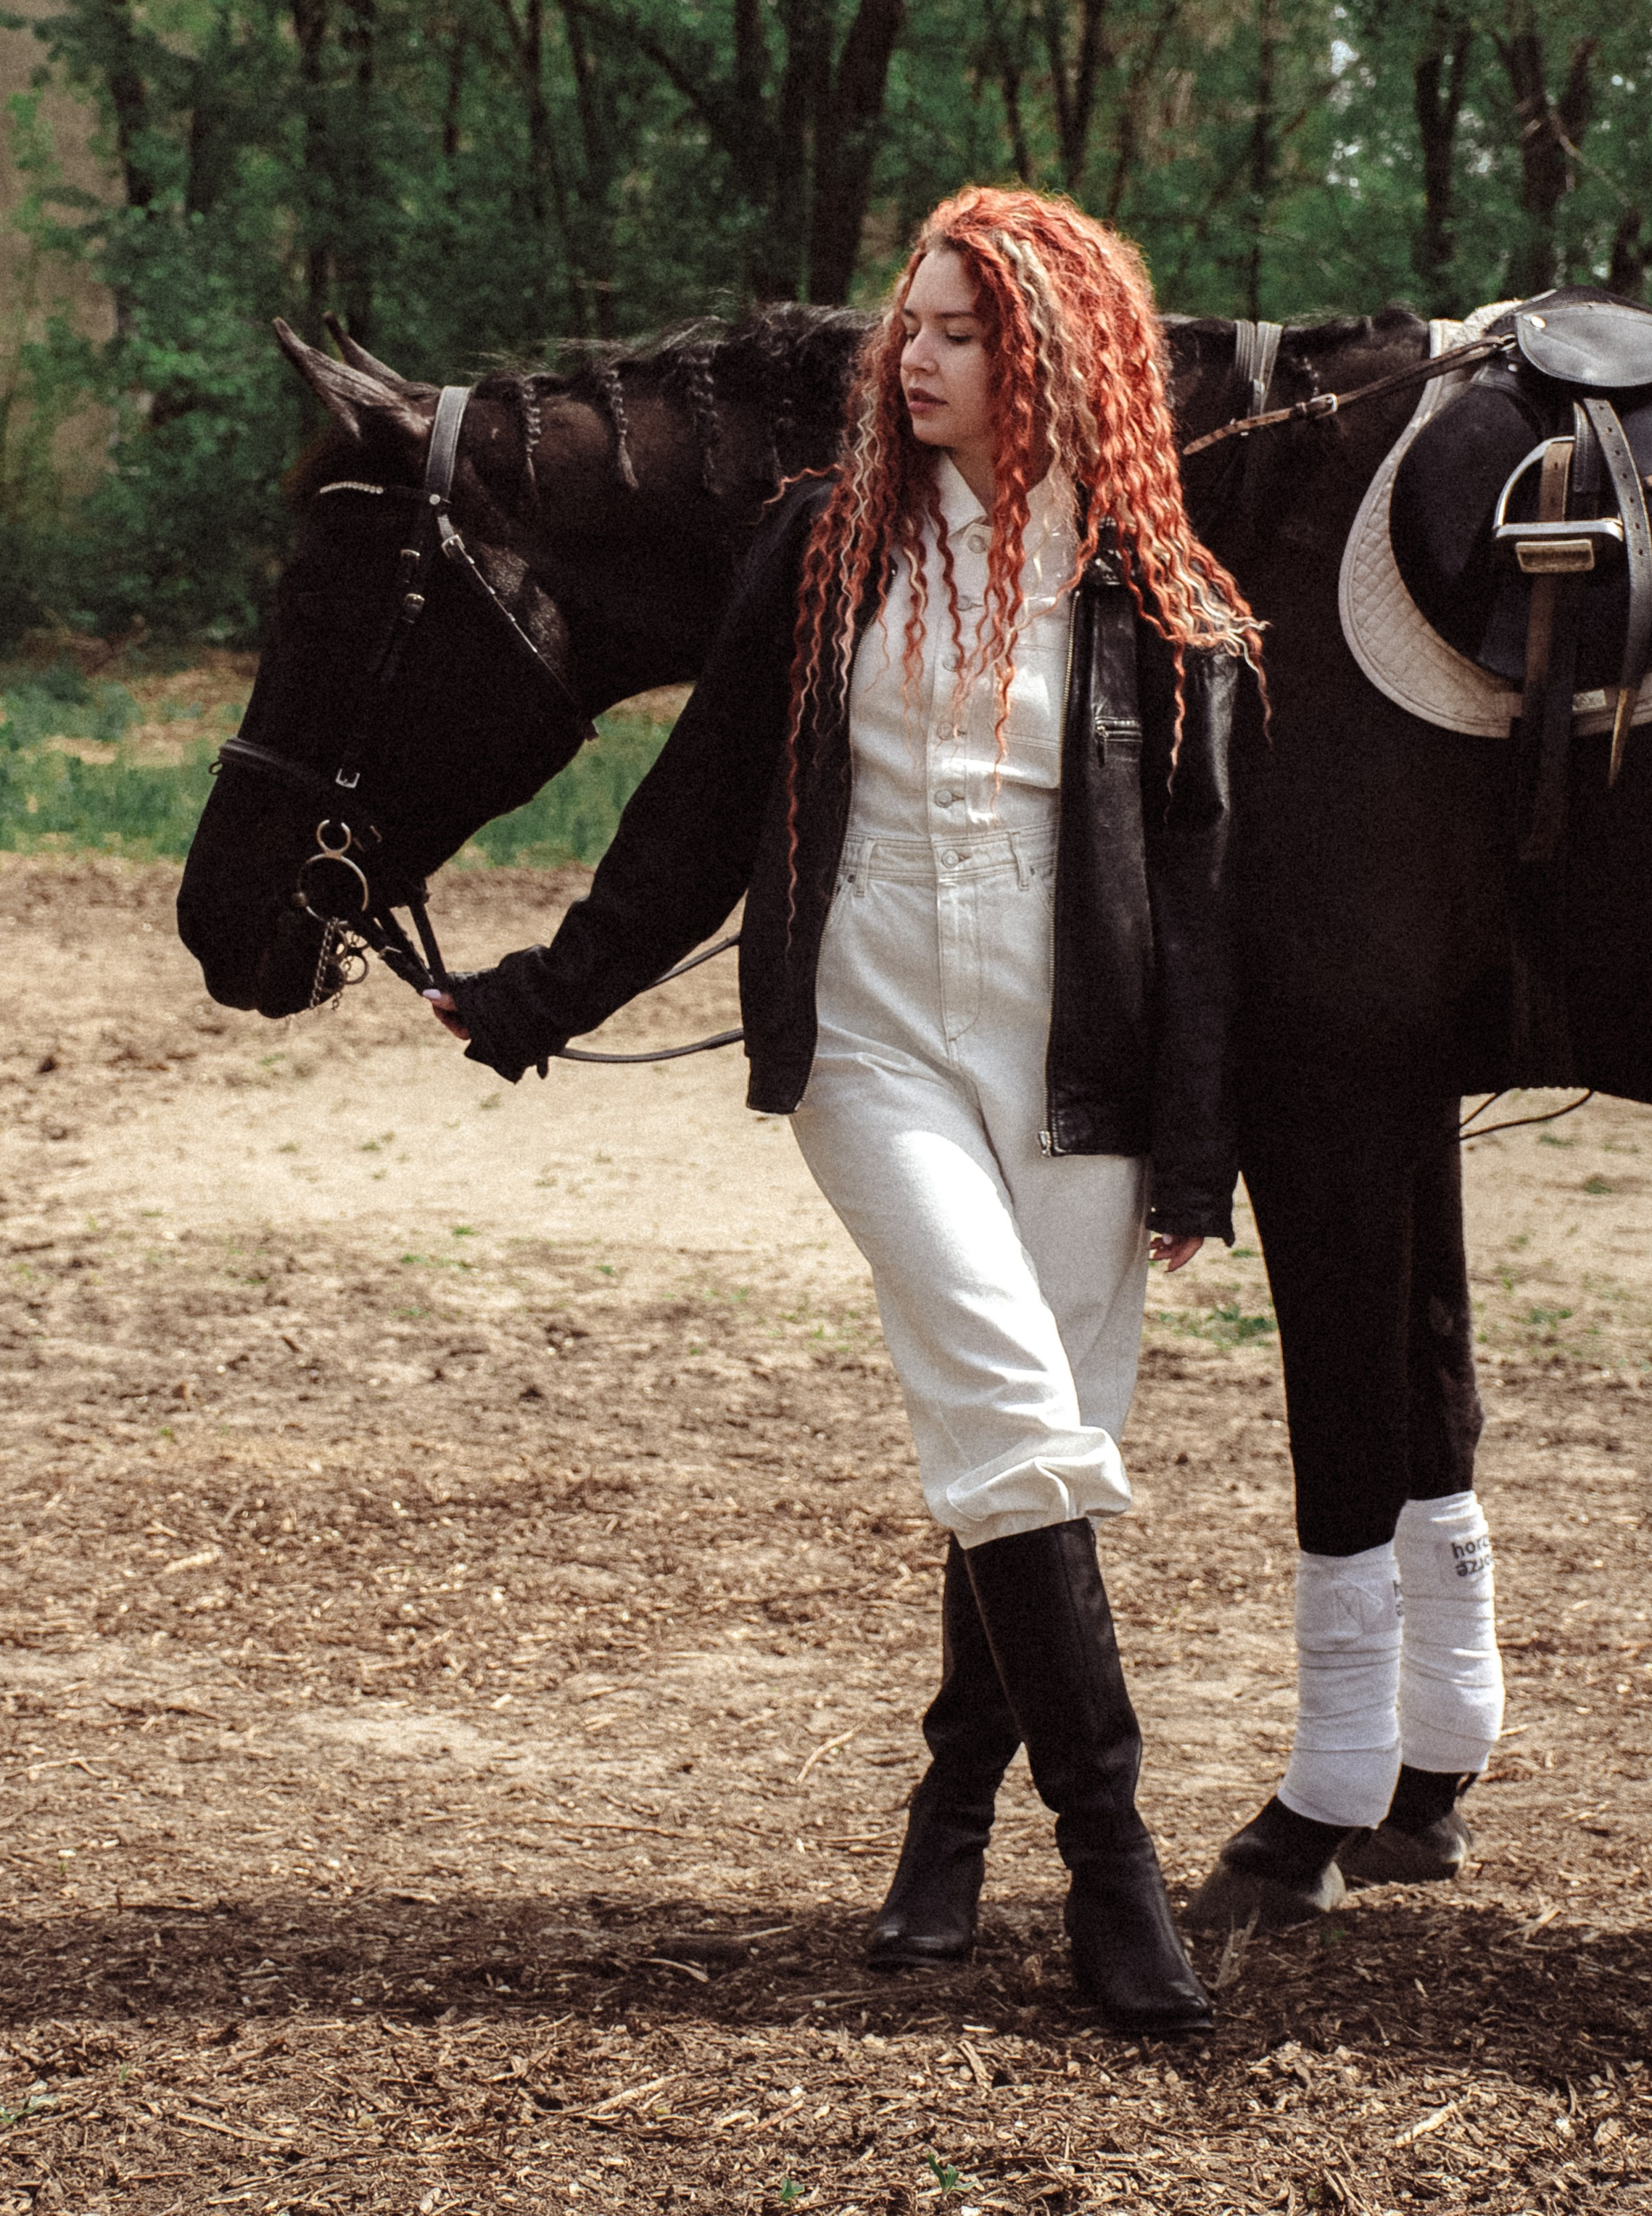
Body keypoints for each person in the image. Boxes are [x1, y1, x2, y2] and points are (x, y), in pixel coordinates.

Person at [426, 187, 1260, 2037]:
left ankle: (950, 1817)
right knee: (1004, 1403)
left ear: (1053, 359)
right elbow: (702, 811)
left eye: (963, 330)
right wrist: (536, 1001)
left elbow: (1201, 901)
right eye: (915, 323)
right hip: (873, 1035)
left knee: (1018, 1440)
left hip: (1082, 1070)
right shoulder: (823, 545)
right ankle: (1113, 1875)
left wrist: (1194, 1143)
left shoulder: (1152, 588)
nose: (916, 356)